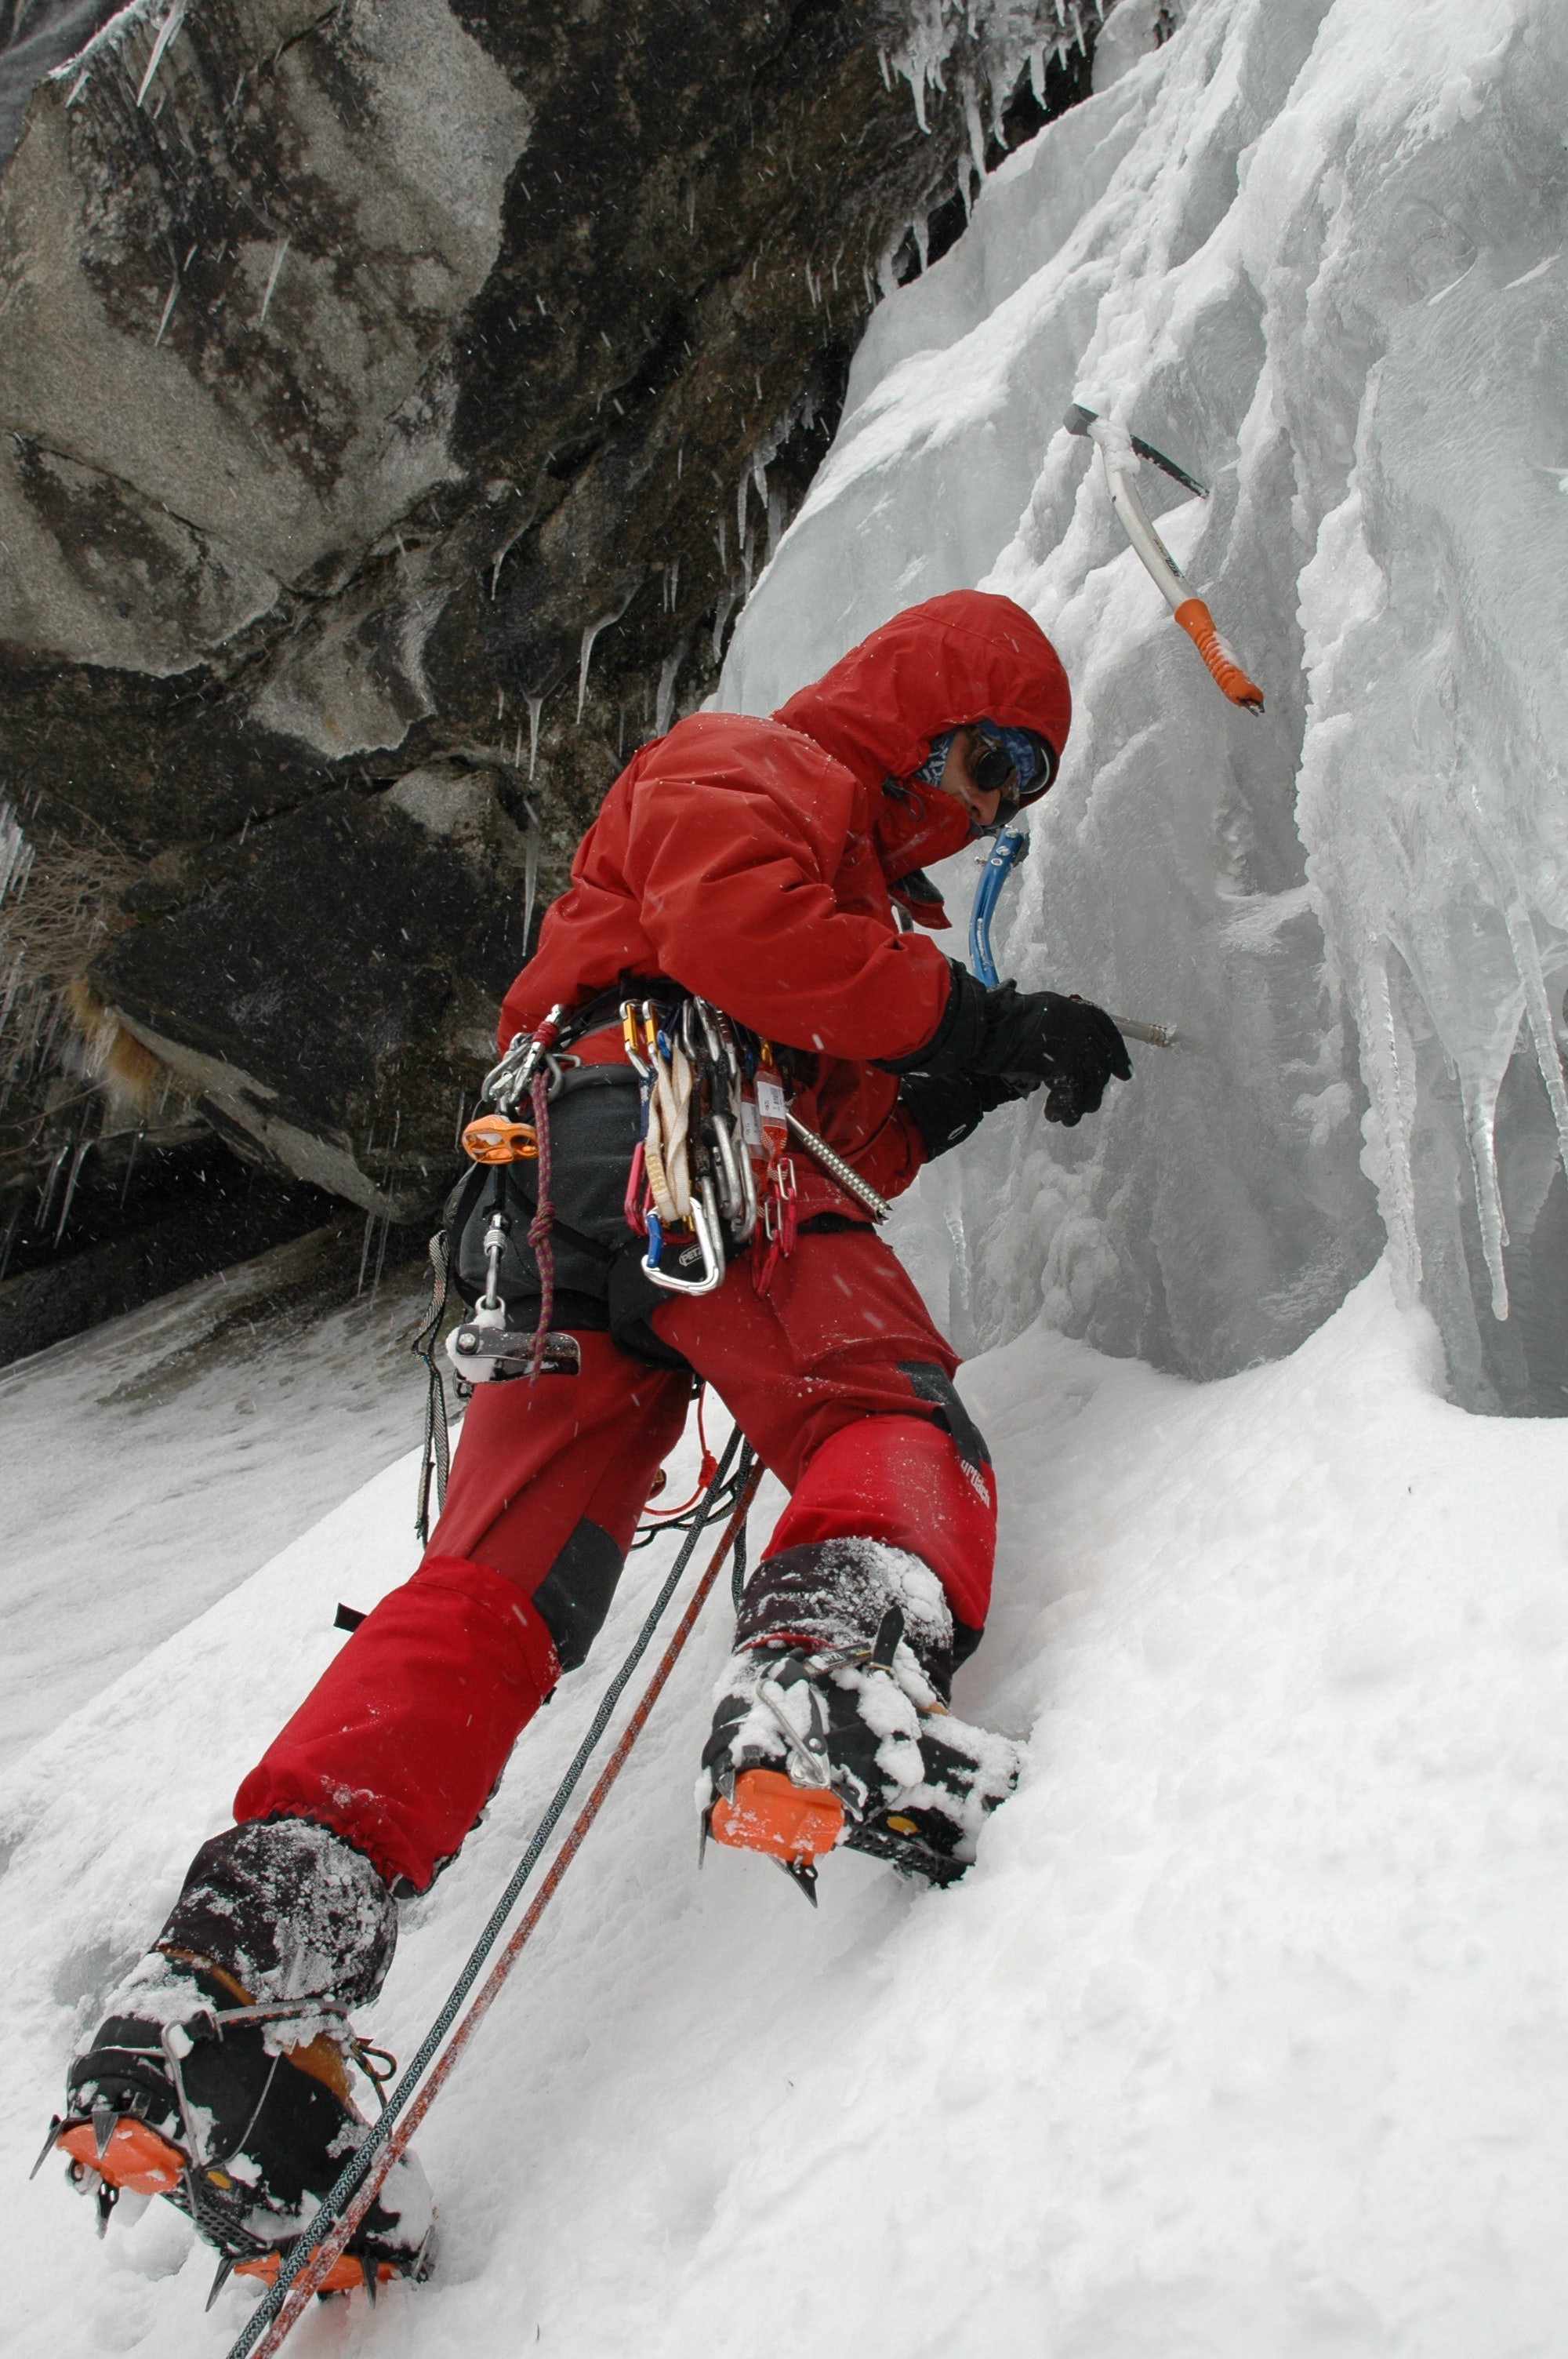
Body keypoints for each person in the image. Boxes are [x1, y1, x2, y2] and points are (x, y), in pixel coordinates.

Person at [44, 590, 1131, 2289]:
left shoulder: (844, 879)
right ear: (912, 705)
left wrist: (957, 1078)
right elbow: (738, 939)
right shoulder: (750, 758)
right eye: (990, 757)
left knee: (496, 1591)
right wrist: (962, 1016)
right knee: (877, 1411)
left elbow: (843, 1123)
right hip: (668, 1139)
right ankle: (829, 1672)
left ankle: (237, 1988)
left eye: (1021, 790)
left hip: (567, 1211)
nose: (992, 807)